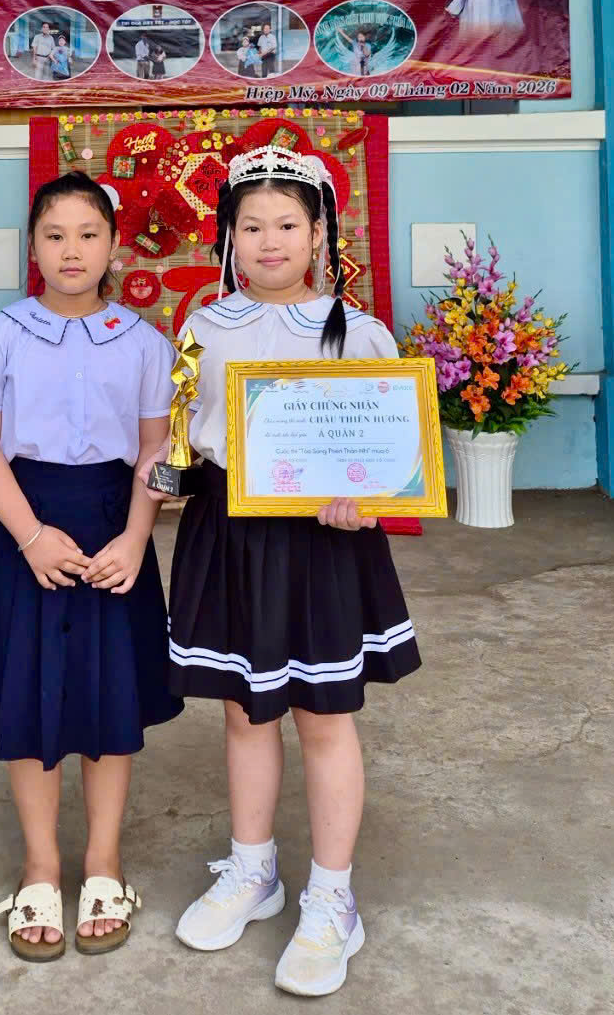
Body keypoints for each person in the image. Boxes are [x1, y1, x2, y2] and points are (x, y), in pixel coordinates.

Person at [140, 145, 420, 997]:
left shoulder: (356, 333)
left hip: (322, 543)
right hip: (229, 533)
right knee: (244, 709)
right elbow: (186, 435)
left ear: (319, 233)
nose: (270, 241)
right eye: (252, 225)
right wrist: (166, 471)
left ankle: (332, 897)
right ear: (229, 234)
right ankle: (253, 868)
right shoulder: (203, 327)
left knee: (323, 715)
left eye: (288, 225)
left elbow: (391, 449)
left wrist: (366, 498)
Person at [0, 171, 182, 963]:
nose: (71, 250)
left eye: (87, 234)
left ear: (113, 245)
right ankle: (40, 867)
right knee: (29, 696)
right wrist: (31, 535)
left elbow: (157, 451)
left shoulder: (145, 343)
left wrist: (137, 537)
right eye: (54, 235)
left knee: (111, 696)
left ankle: (103, 863)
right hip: (23, 524)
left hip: (114, 525)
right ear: (33, 246)